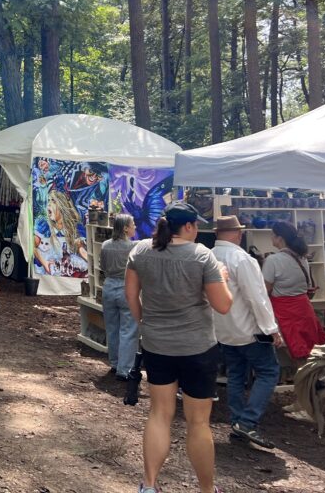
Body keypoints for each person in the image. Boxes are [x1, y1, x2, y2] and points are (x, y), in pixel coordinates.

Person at [125, 201, 232, 493]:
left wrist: (145, 323)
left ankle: (149, 486)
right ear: (188, 226)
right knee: (198, 422)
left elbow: (132, 296)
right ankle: (207, 490)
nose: (198, 232)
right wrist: (222, 277)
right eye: (197, 226)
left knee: (160, 414)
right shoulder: (202, 257)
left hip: (157, 345)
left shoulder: (140, 251)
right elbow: (223, 305)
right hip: (198, 348)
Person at [212, 215, 283, 449]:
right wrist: (271, 329)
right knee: (268, 372)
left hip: (223, 328)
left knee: (235, 375)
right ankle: (248, 421)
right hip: (248, 329)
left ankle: (238, 421)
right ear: (237, 234)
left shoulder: (209, 256)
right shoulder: (241, 258)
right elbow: (257, 297)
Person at [263, 221, 325, 362]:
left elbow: (265, 290)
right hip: (304, 310)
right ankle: (314, 381)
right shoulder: (303, 258)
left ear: (280, 238)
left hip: (285, 313)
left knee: (294, 354)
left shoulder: (272, 260)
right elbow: (308, 284)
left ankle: (302, 381)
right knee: (310, 354)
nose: (271, 238)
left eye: (273, 236)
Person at [101, 213, 138, 382]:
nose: (135, 227)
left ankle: (115, 363)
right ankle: (124, 369)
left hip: (108, 287)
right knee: (128, 330)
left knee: (112, 327)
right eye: (133, 224)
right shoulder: (133, 247)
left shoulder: (105, 245)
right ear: (125, 228)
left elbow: (103, 266)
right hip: (126, 287)